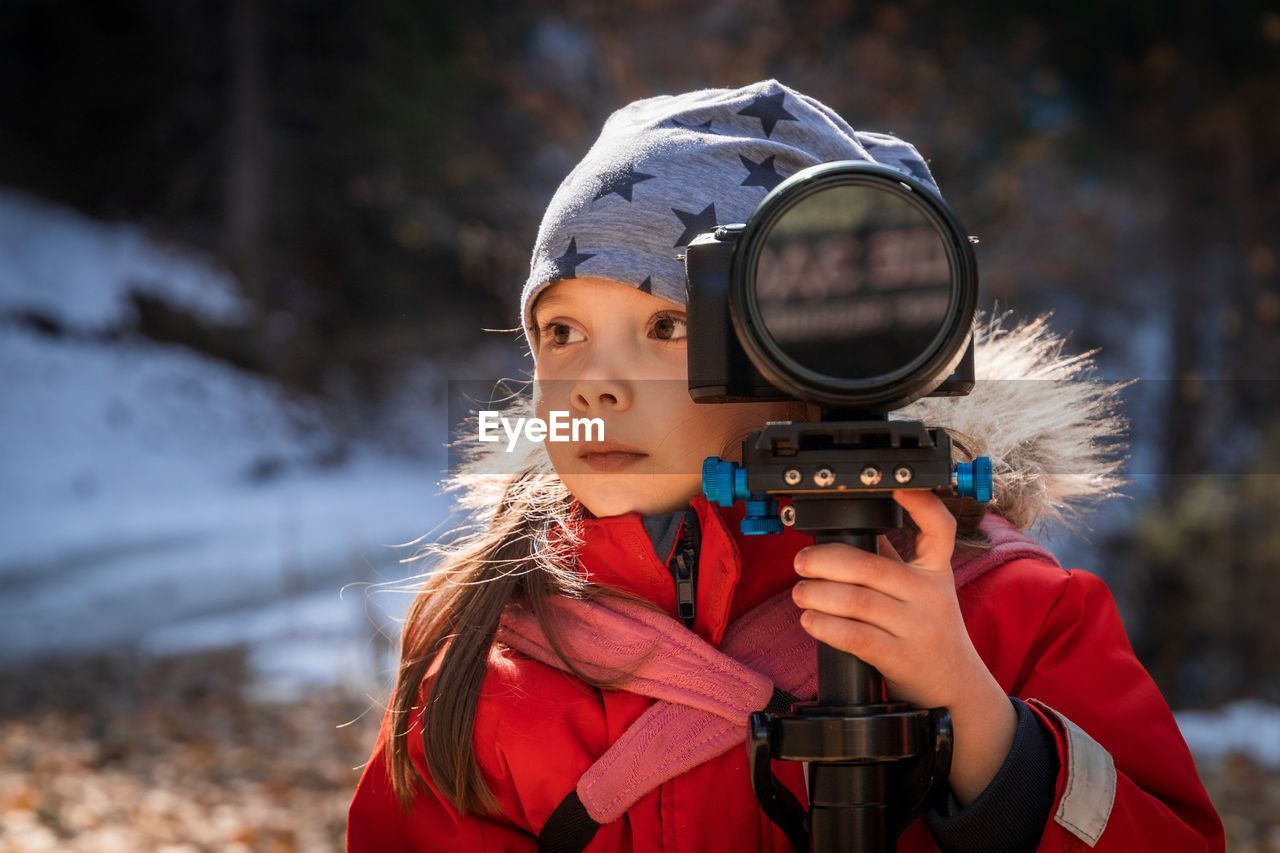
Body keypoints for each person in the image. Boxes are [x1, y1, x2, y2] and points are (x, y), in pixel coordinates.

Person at [346, 79, 1224, 851]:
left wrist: (979, 717)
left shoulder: (1008, 611)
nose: (595, 386)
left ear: (809, 357)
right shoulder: (493, 640)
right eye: (562, 332)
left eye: (668, 327)